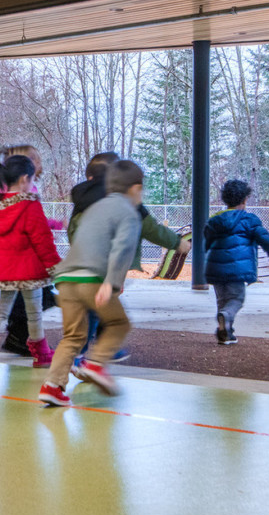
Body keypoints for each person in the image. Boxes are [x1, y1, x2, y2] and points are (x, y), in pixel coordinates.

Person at [39, 159, 145, 407]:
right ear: (135, 188)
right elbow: (122, 249)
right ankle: (95, 364)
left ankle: (52, 386)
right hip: (92, 279)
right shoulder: (129, 213)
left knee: (73, 337)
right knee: (119, 322)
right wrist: (111, 282)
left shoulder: (94, 208)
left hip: (66, 279)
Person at [68, 151, 190, 364]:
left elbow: (73, 231)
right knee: (100, 311)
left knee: (97, 309)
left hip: (83, 265)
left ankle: (96, 351)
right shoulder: (127, 204)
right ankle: (86, 356)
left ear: (90, 177)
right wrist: (178, 243)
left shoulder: (82, 200)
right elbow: (152, 229)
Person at [0, 154, 60, 372]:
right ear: (23, 180)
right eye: (32, 180)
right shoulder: (29, 205)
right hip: (30, 269)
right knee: (34, 311)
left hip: (3, 268)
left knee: (1, 308)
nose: (32, 185)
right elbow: (42, 240)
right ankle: (41, 353)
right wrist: (56, 267)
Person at [202, 179, 269, 346]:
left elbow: (206, 243)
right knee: (236, 299)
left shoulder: (214, 220)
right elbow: (266, 241)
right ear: (244, 200)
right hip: (237, 269)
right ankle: (226, 318)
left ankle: (225, 333)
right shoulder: (249, 220)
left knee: (222, 301)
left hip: (215, 268)